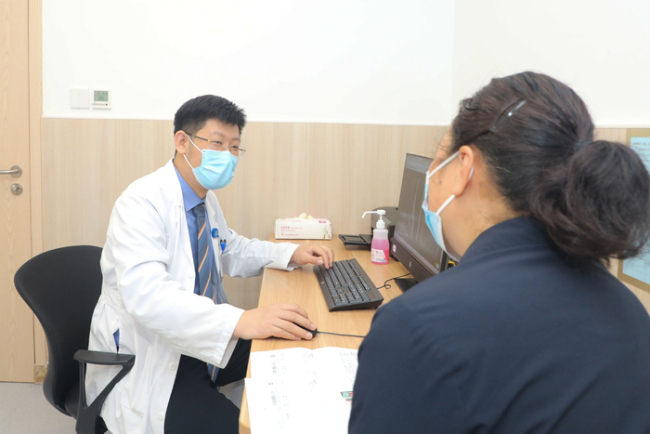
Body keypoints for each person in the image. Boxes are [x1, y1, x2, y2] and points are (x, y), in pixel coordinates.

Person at [349, 72, 650, 433]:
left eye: (438, 160)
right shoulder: (632, 315)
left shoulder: (417, 327)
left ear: (464, 167)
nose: (431, 178)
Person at [85, 95, 333, 434]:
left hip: (200, 335)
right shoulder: (140, 203)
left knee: (297, 341)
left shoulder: (204, 200)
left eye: (234, 147)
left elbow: (229, 248)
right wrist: (241, 320)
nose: (227, 156)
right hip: (155, 357)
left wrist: (289, 253)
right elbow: (148, 297)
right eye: (217, 143)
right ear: (182, 142)